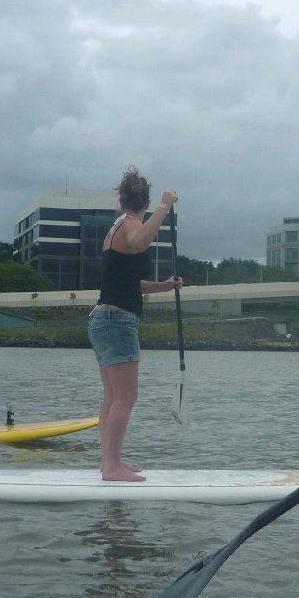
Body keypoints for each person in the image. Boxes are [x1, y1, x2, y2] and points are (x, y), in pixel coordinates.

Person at [88, 168, 183, 482]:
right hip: (116, 322)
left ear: (122, 199)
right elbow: (141, 242)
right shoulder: (130, 226)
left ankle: (109, 463)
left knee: (113, 397)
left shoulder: (117, 226)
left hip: (105, 318)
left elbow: (129, 284)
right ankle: (111, 467)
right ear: (145, 201)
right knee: (126, 398)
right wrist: (165, 206)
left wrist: (165, 286)